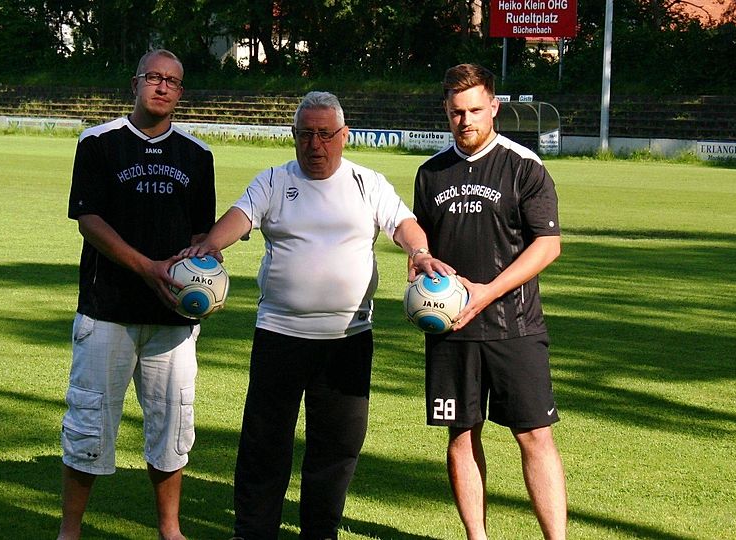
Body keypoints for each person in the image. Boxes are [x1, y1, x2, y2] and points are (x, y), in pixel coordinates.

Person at [184, 91, 452, 540]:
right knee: (264, 446)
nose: (315, 144)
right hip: (279, 336)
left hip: (348, 340)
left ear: (343, 136)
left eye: (325, 134)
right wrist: (212, 244)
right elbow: (239, 216)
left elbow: (403, 223)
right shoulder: (272, 180)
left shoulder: (368, 183)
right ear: (293, 137)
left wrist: (419, 252)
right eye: (306, 134)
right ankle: (253, 533)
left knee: (337, 449)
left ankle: (320, 532)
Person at [58, 48, 216, 540]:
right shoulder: (99, 143)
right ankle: (70, 530)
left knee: (172, 429)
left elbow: (200, 237)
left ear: (181, 91)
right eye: (154, 77)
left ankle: (170, 531)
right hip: (108, 312)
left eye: (172, 81)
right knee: (88, 425)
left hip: (172, 318)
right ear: (135, 83)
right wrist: (148, 267)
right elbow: (89, 221)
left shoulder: (197, 154)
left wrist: (205, 274)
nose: (162, 86)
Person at [411, 63, 567, 540]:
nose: (466, 120)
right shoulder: (431, 173)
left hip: (514, 326)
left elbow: (548, 245)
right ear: (446, 110)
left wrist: (487, 294)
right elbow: (423, 245)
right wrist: (418, 268)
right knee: (460, 435)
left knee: (535, 436)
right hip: (452, 330)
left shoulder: (524, 166)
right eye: (457, 112)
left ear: (494, 107)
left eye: (476, 109)